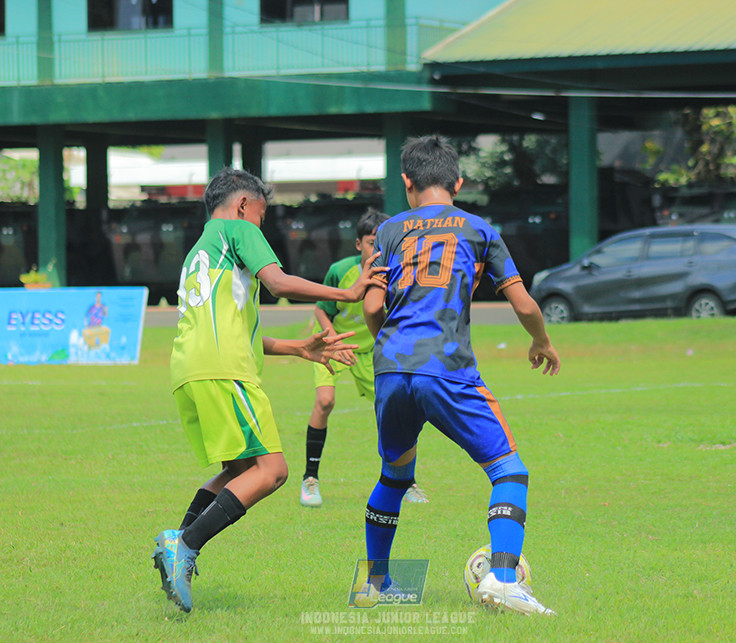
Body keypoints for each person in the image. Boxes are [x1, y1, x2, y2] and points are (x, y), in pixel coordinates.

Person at [151, 168, 384, 613]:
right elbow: (278, 282)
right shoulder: (238, 229)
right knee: (273, 471)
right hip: (224, 370)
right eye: (262, 215)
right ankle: (185, 544)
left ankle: (176, 547)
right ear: (243, 206)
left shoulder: (201, 250)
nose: (262, 226)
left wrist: (299, 348)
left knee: (240, 470)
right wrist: (350, 293)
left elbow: (239, 331)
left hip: (189, 370)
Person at [359, 135, 561, 615]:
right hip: (446, 368)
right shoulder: (479, 229)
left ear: (407, 182)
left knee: (394, 476)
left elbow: (370, 307)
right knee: (509, 470)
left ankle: (375, 584)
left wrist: (392, 347)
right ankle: (504, 579)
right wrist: (541, 341)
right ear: (459, 182)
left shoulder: (389, 231)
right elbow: (523, 304)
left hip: (391, 368)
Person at [300, 208, 428, 507]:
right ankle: (310, 479)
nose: (378, 250)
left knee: (395, 411)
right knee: (325, 401)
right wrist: (333, 340)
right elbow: (321, 309)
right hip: (331, 344)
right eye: (372, 243)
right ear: (359, 244)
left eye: (384, 243)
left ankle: (405, 480)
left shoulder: (397, 273)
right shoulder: (341, 271)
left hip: (371, 350)